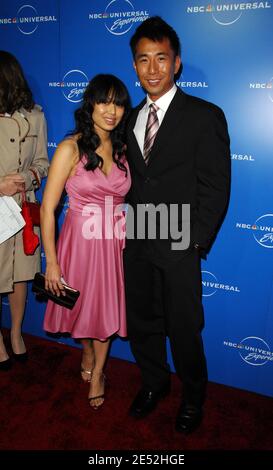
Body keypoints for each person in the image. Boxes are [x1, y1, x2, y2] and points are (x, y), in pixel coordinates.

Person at [124, 17, 231, 433]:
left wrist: (194, 242)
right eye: (143, 60)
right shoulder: (128, 119)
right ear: (134, 66)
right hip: (136, 245)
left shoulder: (205, 116)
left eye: (161, 59)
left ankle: (192, 396)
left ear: (177, 63)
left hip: (180, 246)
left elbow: (216, 186)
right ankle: (154, 384)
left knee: (185, 328)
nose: (152, 69)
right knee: (143, 325)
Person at [41, 74, 131, 409]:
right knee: (79, 306)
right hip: (79, 242)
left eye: (119, 103)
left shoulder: (123, 148)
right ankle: (88, 350)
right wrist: (51, 261)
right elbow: (48, 210)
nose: (112, 110)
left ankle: (98, 374)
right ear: (89, 103)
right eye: (104, 101)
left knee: (106, 309)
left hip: (114, 243)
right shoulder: (70, 148)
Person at [0, 51, 49, 370]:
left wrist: (30, 177)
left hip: (23, 209)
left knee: (20, 276)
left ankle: (16, 333)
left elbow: (43, 162)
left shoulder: (36, 116)